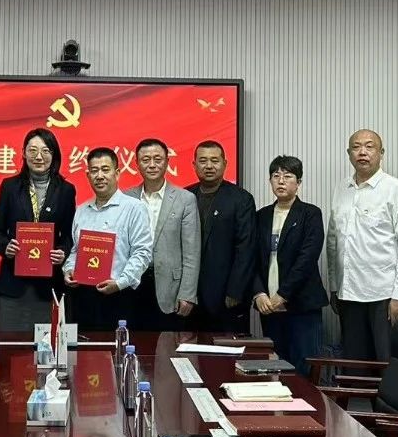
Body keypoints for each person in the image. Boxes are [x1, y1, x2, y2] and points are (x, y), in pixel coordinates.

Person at [328, 129, 398, 361]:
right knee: (354, 364)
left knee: (386, 363)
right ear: (349, 153)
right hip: (348, 293)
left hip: (384, 295)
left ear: (381, 153)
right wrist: (334, 286)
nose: (362, 152)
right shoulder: (341, 189)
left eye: (369, 147)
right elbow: (333, 241)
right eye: (356, 147)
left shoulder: (397, 189)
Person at [0, 129, 76, 331]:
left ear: (54, 154)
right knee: (10, 344)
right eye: (32, 150)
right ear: (23, 153)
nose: (39, 156)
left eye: (45, 151)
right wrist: (5, 247)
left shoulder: (66, 190)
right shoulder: (9, 186)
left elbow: (68, 235)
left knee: (45, 344)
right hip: (13, 284)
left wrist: (62, 252)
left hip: (48, 286)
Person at [64, 147, 153, 332]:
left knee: (118, 347)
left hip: (120, 294)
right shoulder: (81, 210)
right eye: (94, 171)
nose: (100, 176)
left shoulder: (134, 208)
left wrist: (120, 282)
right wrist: (69, 269)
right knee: (85, 348)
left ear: (117, 173)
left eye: (105, 169)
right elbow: (76, 250)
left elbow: (142, 252)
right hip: (84, 296)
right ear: (88, 175)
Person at [252, 155, 326, 375]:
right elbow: (251, 259)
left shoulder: (310, 214)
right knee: (274, 368)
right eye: (276, 176)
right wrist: (258, 294)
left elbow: (307, 259)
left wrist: (282, 294)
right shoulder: (261, 216)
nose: (281, 181)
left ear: (299, 182)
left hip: (301, 305)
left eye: (287, 176)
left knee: (303, 368)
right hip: (268, 306)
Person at [124, 138, 200, 332]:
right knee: (132, 341)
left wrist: (187, 294)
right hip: (131, 283)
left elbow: (191, 252)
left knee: (168, 345)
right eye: (145, 159)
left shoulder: (185, 199)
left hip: (170, 288)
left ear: (167, 162)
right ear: (136, 164)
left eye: (157, 159)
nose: (152, 165)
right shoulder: (126, 198)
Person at [186, 140, 256, 333]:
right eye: (203, 161)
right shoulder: (185, 196)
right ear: (194, 165)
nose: (209, 166)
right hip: (190, 296)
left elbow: (246, 248)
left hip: (227, 296)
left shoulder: (241, 199)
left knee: (226, 349)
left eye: (215, 160)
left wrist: (236, 291)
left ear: (225, 164)